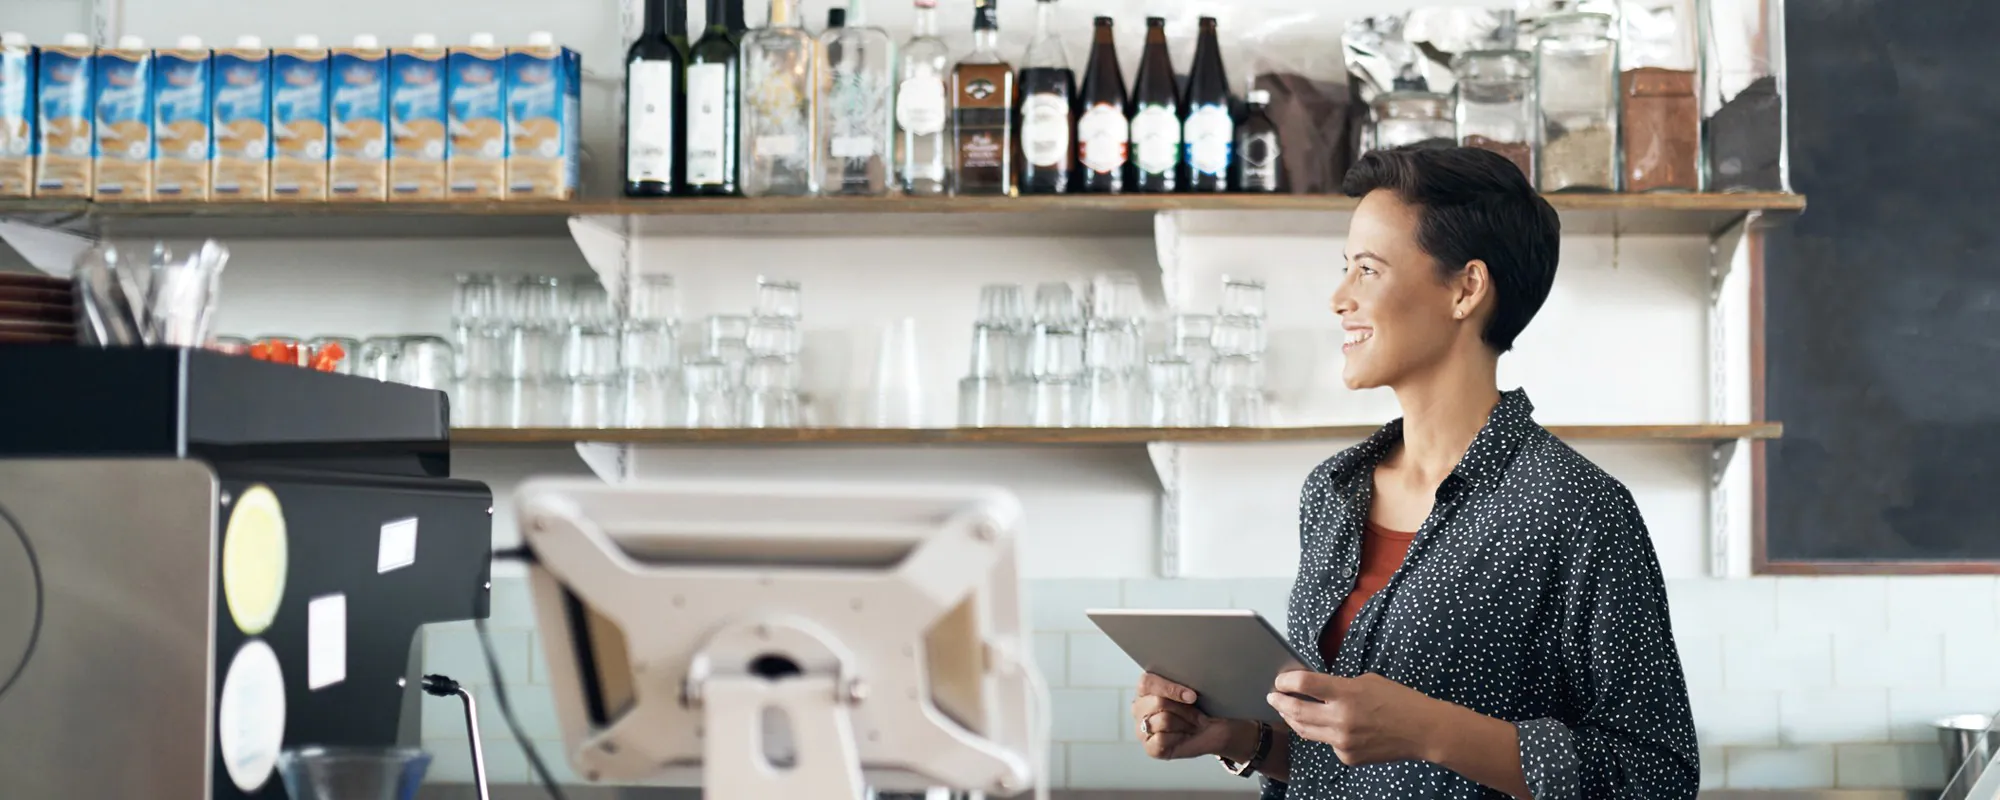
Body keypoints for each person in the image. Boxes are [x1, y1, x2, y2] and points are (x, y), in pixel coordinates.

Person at [1129, 146, 1698, 799]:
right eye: (1345, 269)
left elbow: (1659, 775)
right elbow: (1347, 763)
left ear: (1466, 289)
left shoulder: (1577, 508)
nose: (1340, 298)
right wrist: (1236, 738)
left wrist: (1430, 729)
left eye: (1368, 270)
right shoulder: (1332, 492)